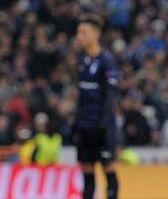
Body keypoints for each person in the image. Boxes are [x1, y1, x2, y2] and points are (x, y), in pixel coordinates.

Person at [74, 14, 120, 199]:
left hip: (101, 127)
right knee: (87, 172)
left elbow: (111, 96)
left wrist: (103, 125)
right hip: (84, 125)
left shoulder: (106, 61)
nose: (79, 37)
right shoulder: (83, 61)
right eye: (79, 32)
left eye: (83, 32)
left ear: (95, 34)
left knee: (108, 168)